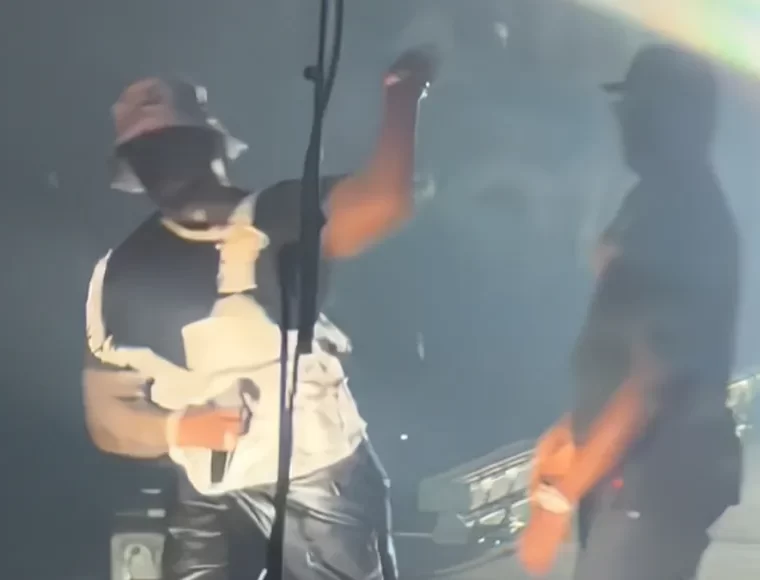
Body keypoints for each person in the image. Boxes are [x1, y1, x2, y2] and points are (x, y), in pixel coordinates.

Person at [82, 47, 436, 580]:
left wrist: (402, 97)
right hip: (209, 490)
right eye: (145, 151)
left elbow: (383, 200)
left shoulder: (281, 215)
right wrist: (182, 429)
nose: (160, 161)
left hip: (318, 478)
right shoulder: (121, 273)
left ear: (207, 143)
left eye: (167, 140)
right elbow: (107, 414)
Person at [519, 44, 744, 579]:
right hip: (638, 469)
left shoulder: (681, 217)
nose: (624, 122)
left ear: (678, 119)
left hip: (654, 475)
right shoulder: (655, 201)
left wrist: (559, 501)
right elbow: (622, 354)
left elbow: (649, 378)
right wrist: (573, 429)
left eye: (638, 108)